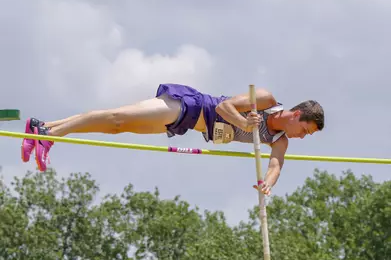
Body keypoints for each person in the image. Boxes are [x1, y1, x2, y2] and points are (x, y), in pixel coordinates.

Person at [21, 83, 324, 195]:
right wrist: (245, 120)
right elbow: (223, 107)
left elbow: (276, 165)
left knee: (117, 127)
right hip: (190, 106)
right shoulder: (266, 99)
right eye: (306, 131)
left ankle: (40, 126)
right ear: (297, 115)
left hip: (186, 125)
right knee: (117, 119)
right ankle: (50, 135)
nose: (302, 137)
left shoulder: (280, 139)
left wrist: (267, 184)